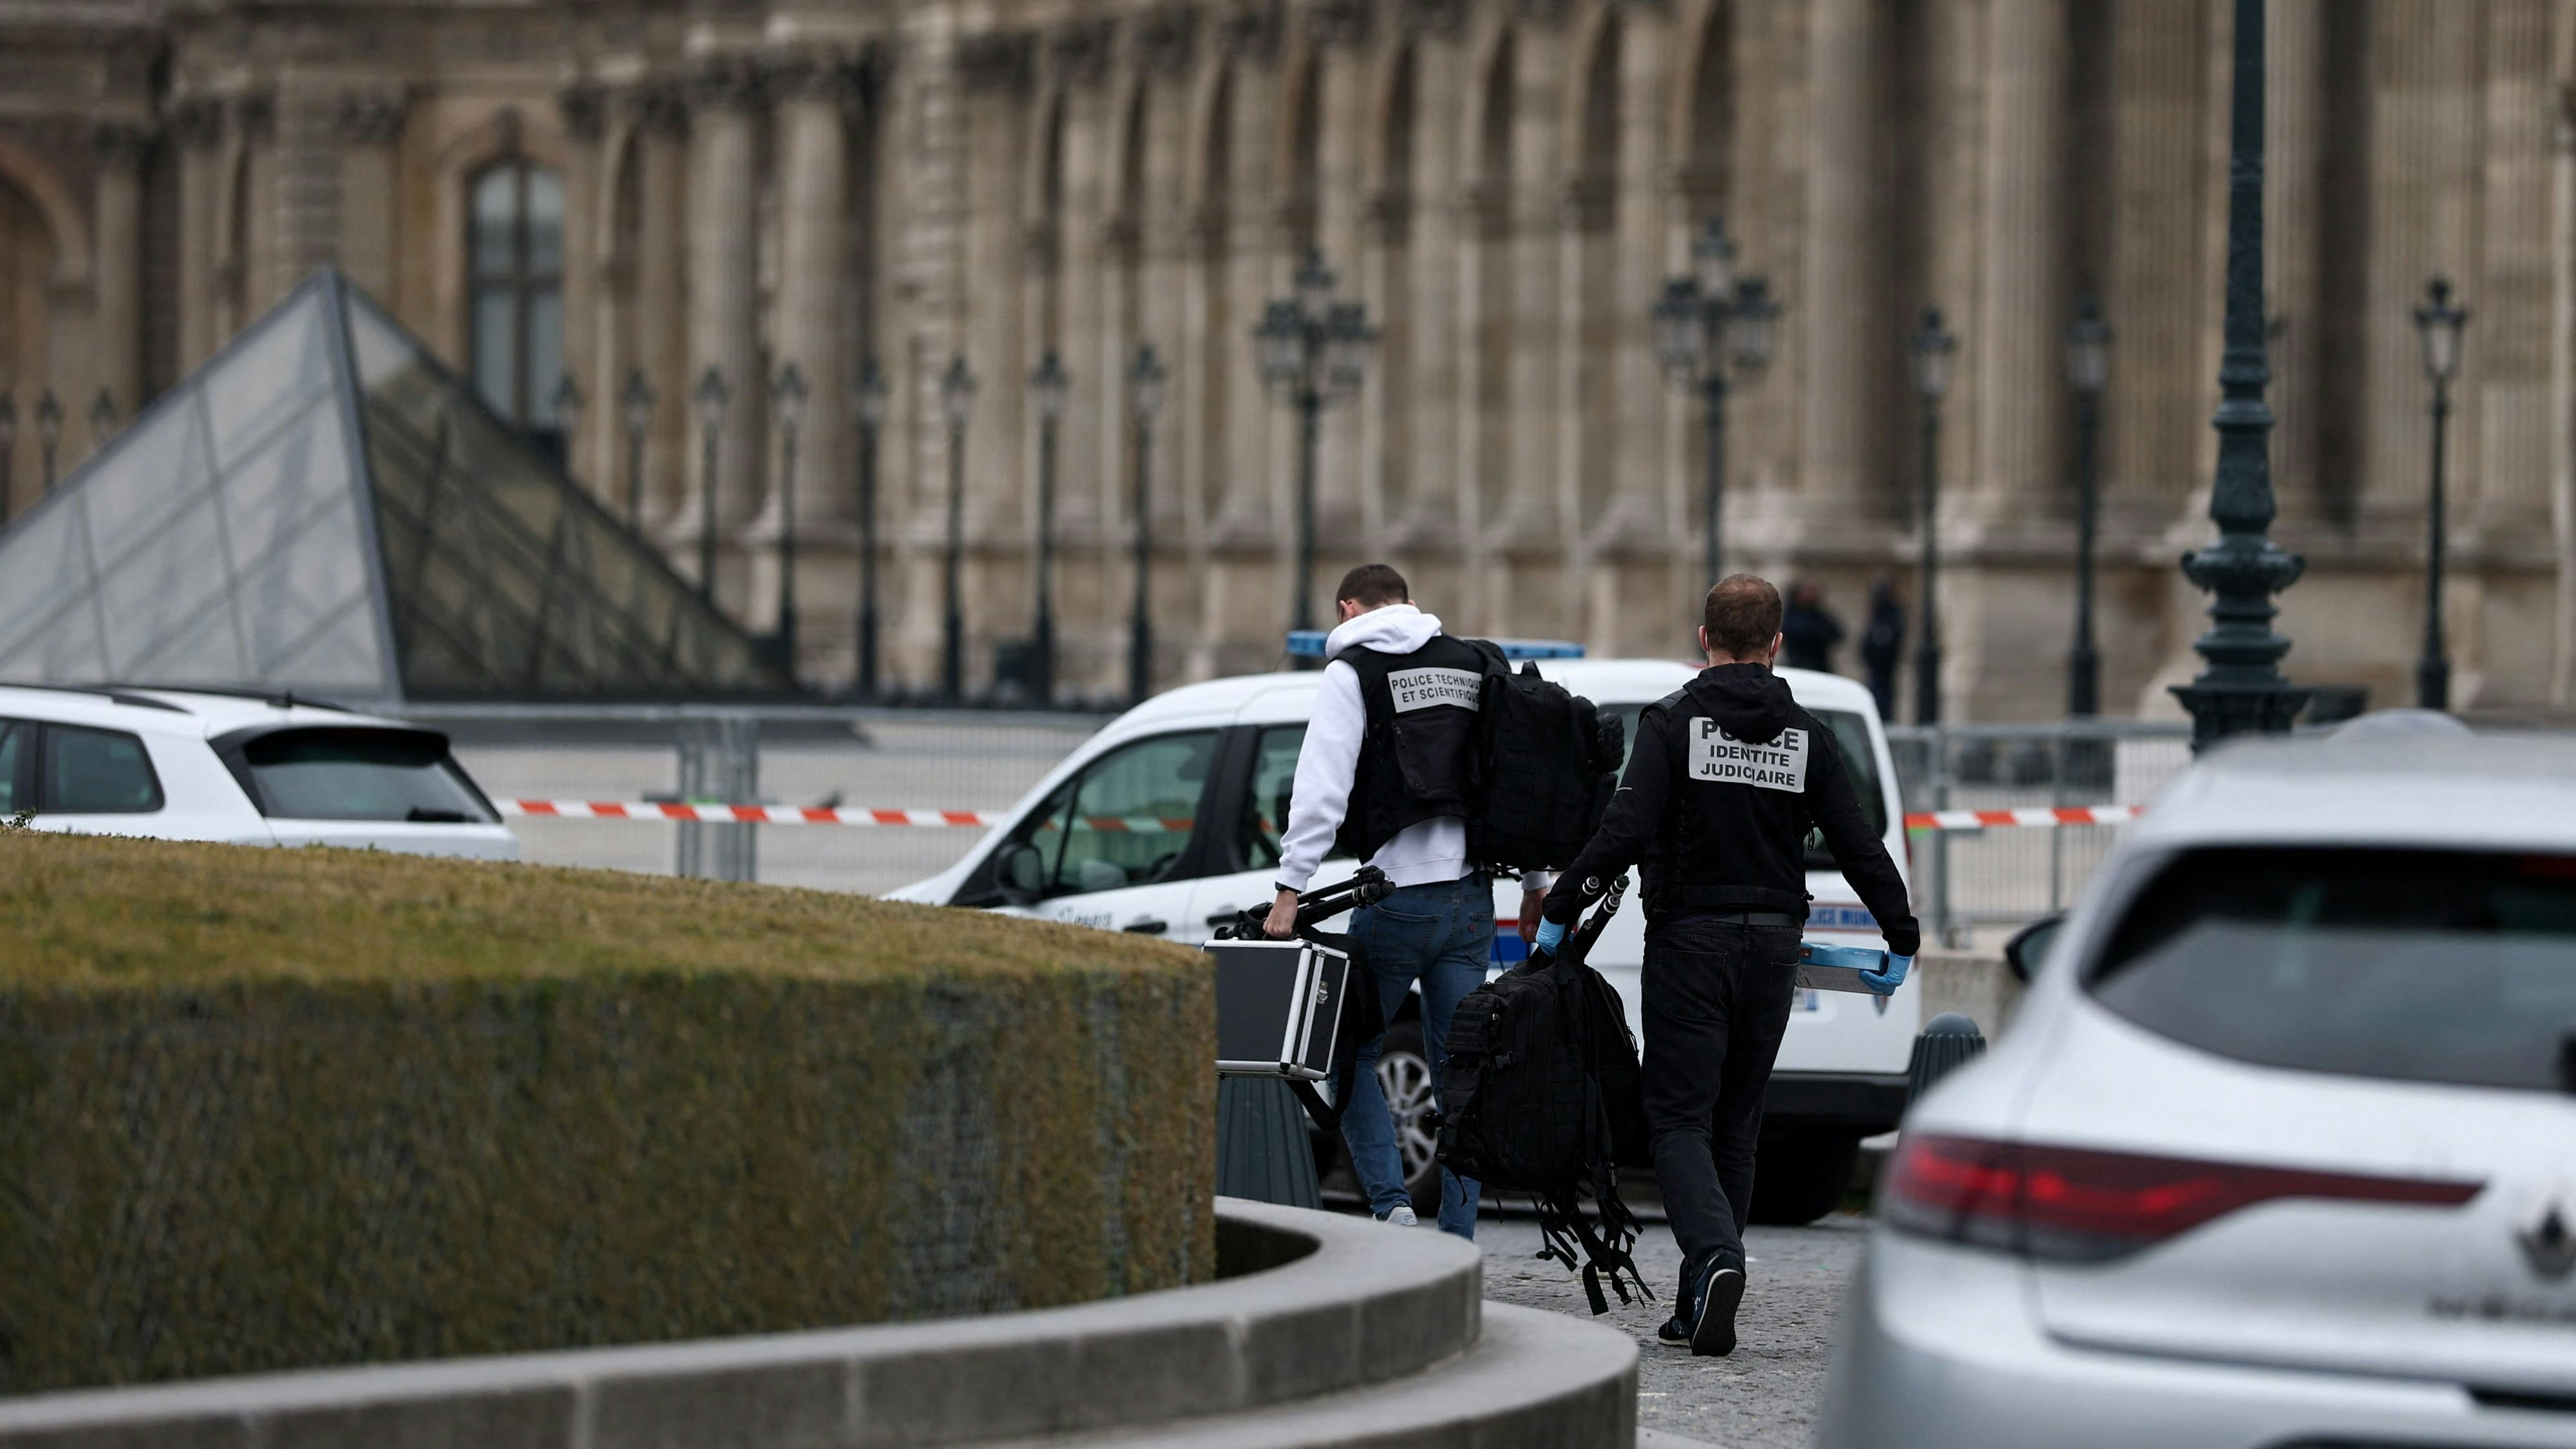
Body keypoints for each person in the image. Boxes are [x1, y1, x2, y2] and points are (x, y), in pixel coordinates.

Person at [1531, 574, 1918, 1356]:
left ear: (1704, 640)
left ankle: (1714, 1259)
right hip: (1775, 948)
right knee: (1736, 1121)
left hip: (1691, 943)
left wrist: (1561, 907)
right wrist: (1900, 934)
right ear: (1776, 645)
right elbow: (1858, 845)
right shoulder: (1808, 735)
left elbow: (1623, 832)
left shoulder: (1674, 724)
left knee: (1677, 1117)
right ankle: (1701, 1301)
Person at [1265, 563, 1489, 1238]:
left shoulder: (1352, 674)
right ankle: (1459, 1235)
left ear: (1346, 609)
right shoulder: (1474, 662)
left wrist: (1289, 888)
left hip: (1395, 899)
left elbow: (1322, 788)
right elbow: (1514, 778)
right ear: (1411, 605)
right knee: (1462, 1073)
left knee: (1348, 1054)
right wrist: (1535, 886)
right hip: (1473, 898)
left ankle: (1392, 1208)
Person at [1860, 576, 1904, 721]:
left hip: (1884, 669)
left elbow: (1884, 644)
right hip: (1876, 669)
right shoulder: (1879, 616)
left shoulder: (1891, 617)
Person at [1779, 580, 1845, 674]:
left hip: (1819, 664)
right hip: (1797, 663)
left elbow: (1837, 633)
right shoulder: (1791, 616)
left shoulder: (1819, 615)